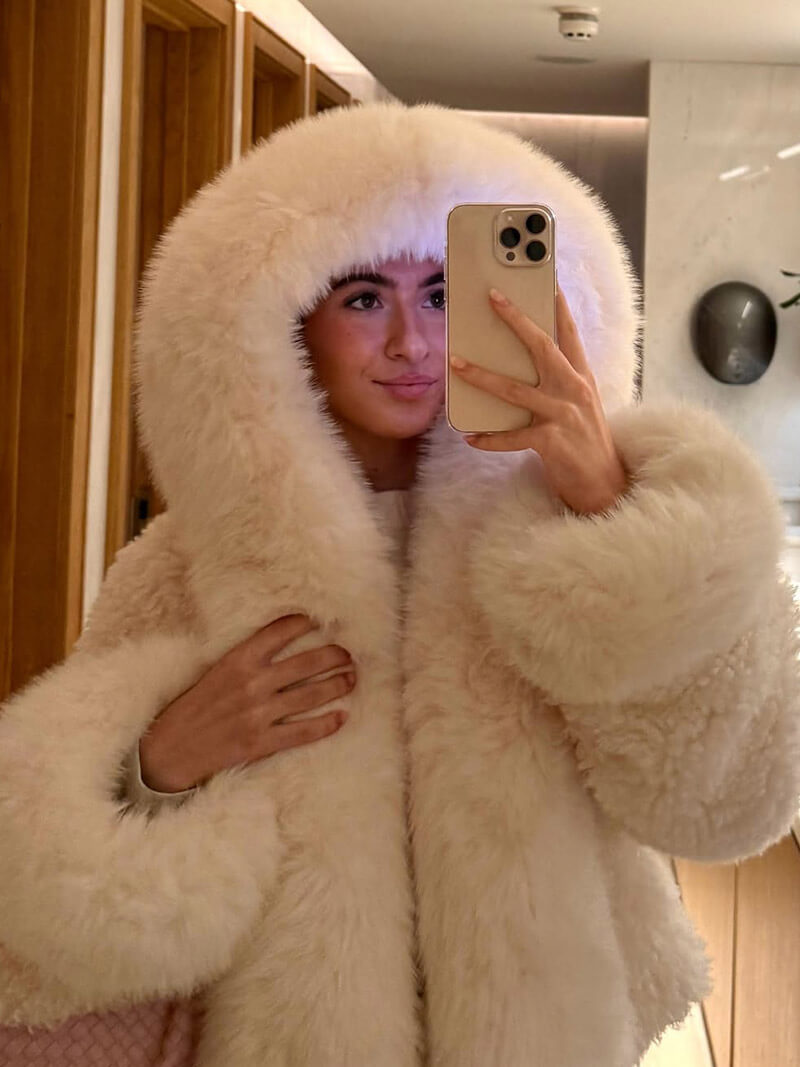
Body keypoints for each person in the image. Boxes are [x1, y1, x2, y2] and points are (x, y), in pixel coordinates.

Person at [0, 101, 798, 1067]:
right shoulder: (197, 561)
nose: (413, 344)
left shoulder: (573, 527)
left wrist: (608, 513)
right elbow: (46, 886)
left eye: (445, 293)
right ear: (284, 316)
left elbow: (729, 797)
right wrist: (161, 760)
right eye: (365, 298)